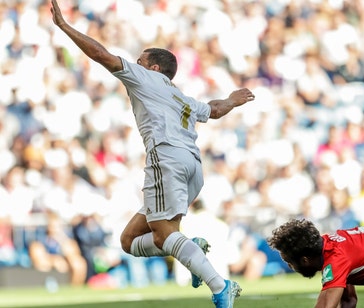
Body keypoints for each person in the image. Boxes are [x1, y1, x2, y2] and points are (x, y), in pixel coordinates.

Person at [50, 1, 255, 307]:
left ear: (153, 68)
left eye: (139, 60)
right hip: (193, 168)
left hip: (167, 158)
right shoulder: (180, 96)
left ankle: (220, 286)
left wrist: (65, 27)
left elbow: (101, 55)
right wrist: (232, 100)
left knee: (163, 234)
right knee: (129, 241)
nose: (133, 63)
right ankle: (190, 249)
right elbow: (213, 110)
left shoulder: (144, 78)